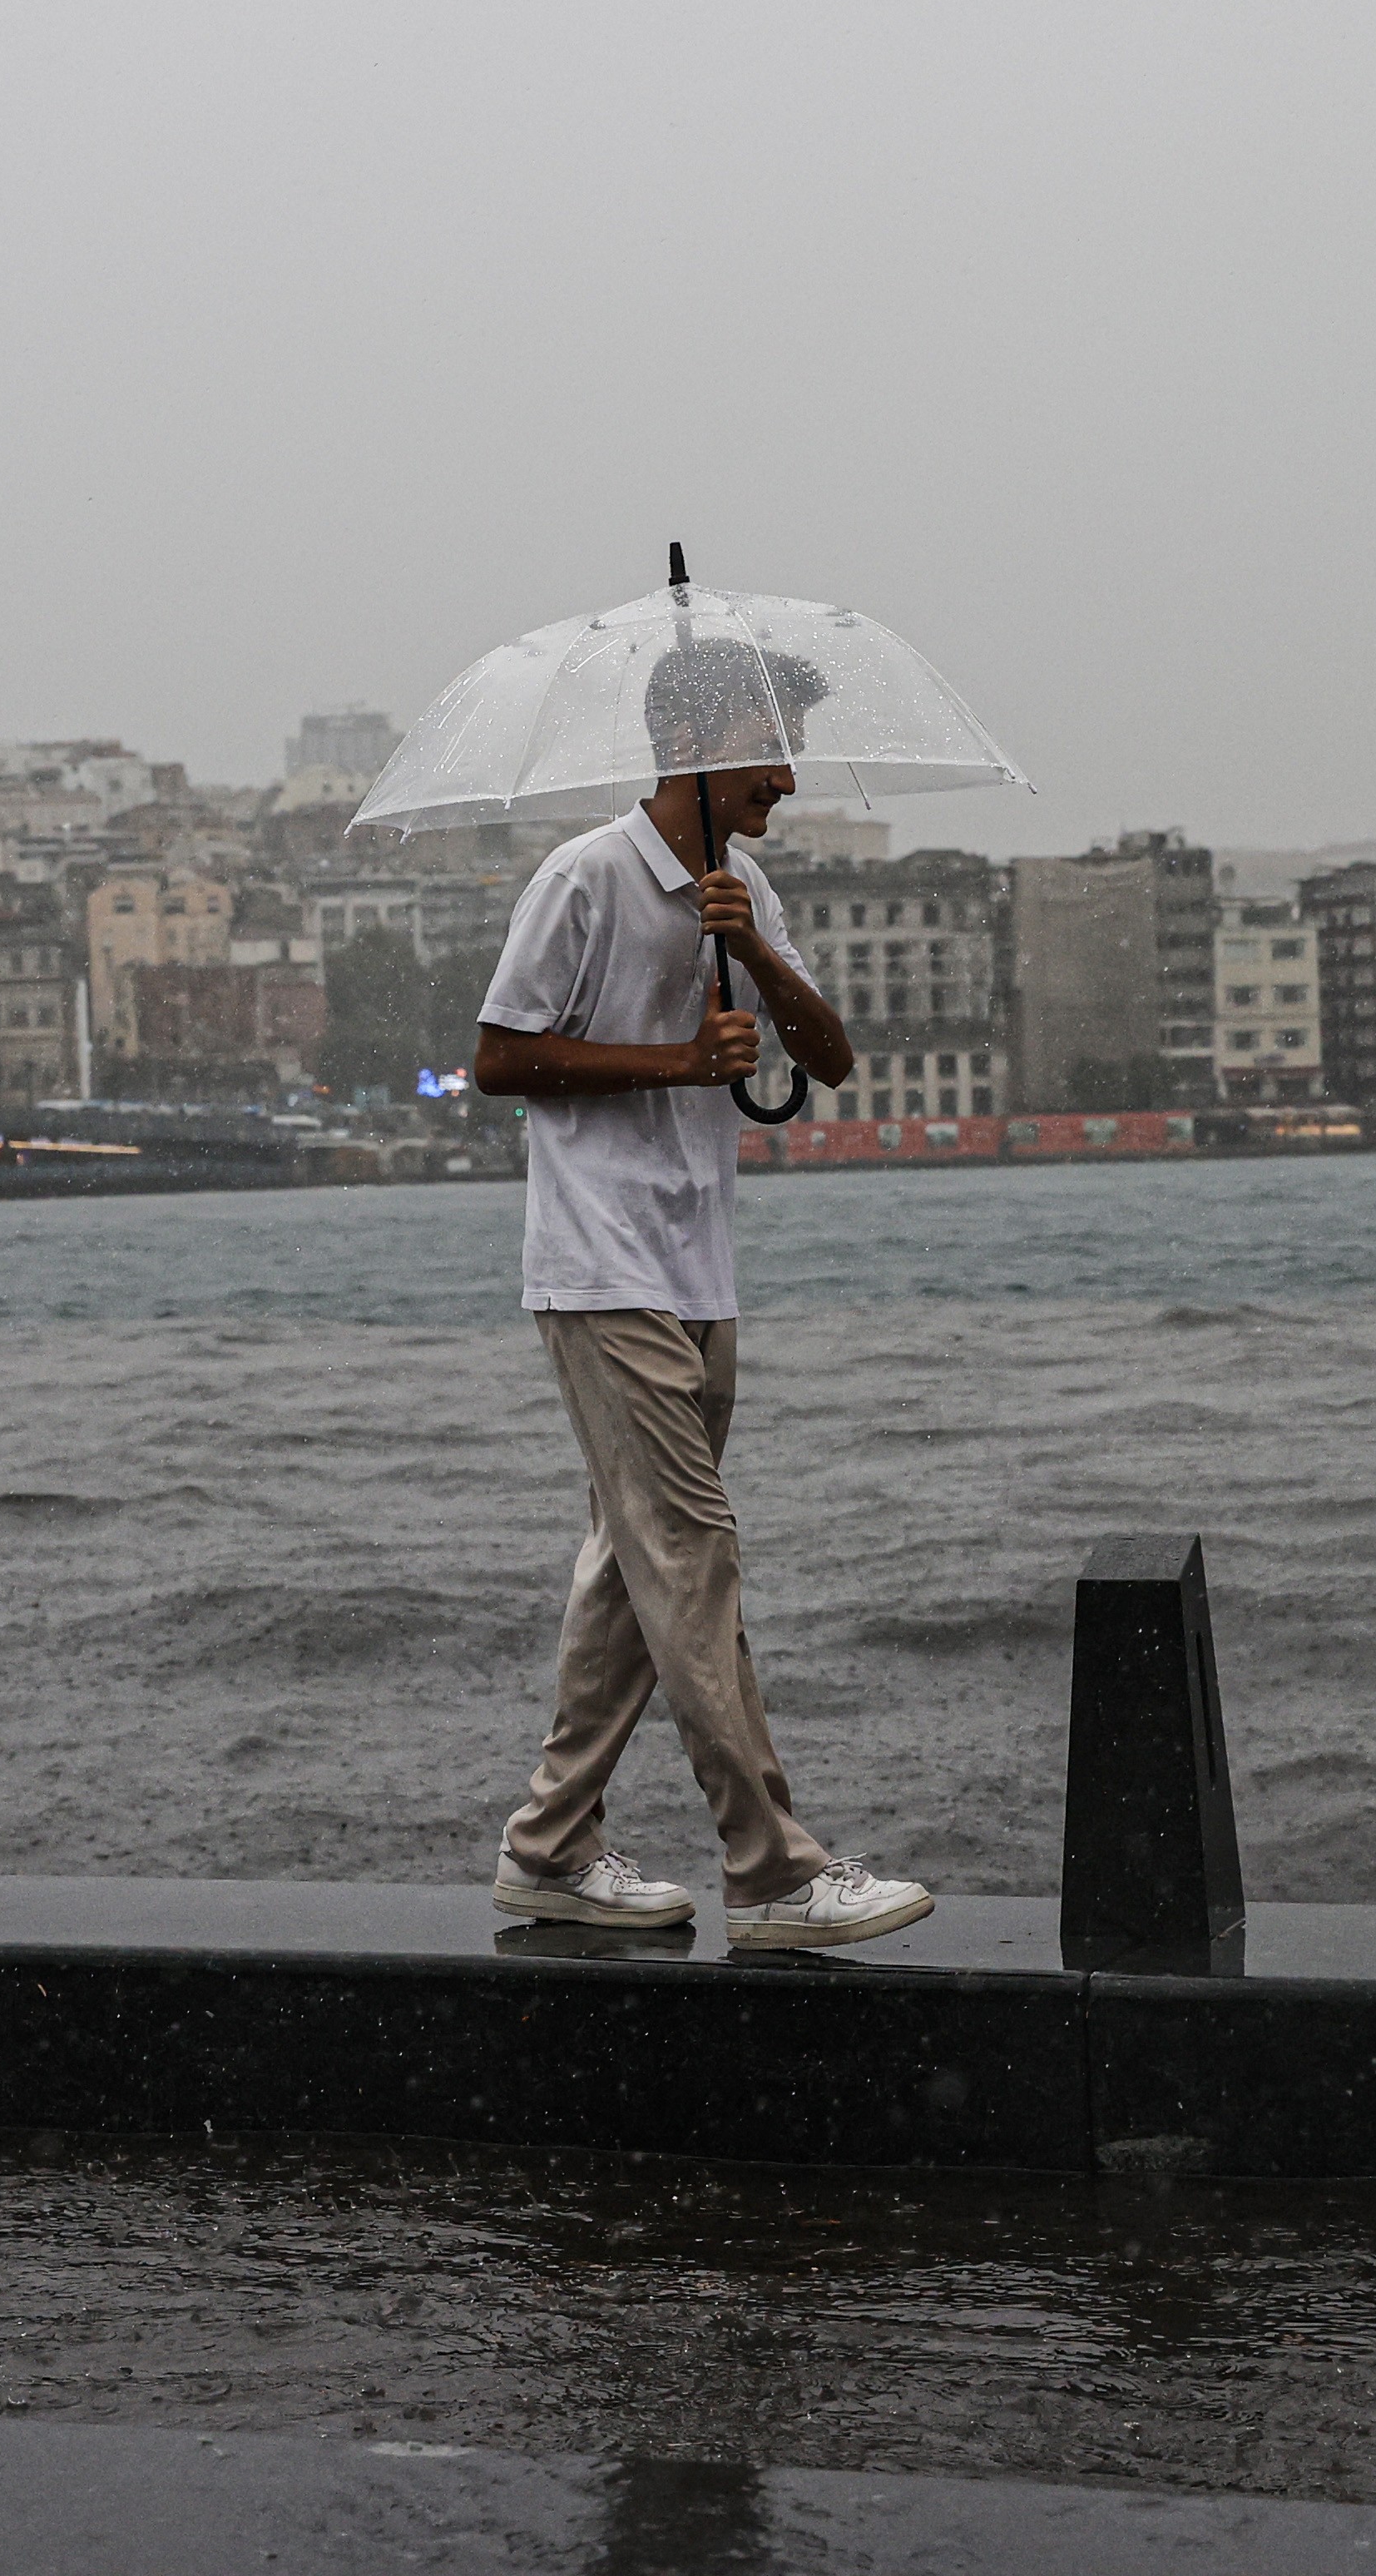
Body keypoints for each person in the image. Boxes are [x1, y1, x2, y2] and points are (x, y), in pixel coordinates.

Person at [468, 639, 935, 1950]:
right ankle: (774, 1870)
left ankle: (549, 1850)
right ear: (699, 741)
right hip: (600, 1264)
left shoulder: (745, 885)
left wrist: (760, 957)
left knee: (637, 1562)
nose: (788, 775)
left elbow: (830, 1060)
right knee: (693, 1552)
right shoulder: (586, 876)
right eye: (772, 745)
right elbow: (500, 1059)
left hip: (696, 1268)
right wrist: (677, 1059)